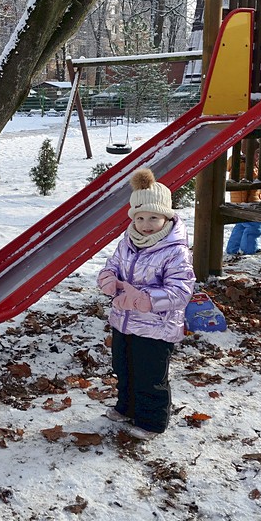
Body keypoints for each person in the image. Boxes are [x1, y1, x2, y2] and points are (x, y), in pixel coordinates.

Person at [97, 168, 195, 440]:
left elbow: (181, 290)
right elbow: (112, 267)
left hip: (156, 327)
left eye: (153, 217)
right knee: (124, 366)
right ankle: (127, 407)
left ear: (167, 216)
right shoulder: (127, 242)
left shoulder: (175, 250)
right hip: (124, 321)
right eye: (140, 217)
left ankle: (152, 421)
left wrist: (145, 300)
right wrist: (107, 279)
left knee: (150, 375)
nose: (146, 224)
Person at [225, 152, 261, 256]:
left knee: (241, 225)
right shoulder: (243, 167)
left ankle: (232, 249)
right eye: (257, 153)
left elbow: (256, 186)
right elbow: (244, 187)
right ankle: (249, 250)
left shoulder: (246, 165)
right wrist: (244, 202)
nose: (258, 156)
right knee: (254, 226)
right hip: (247, 202)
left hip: (245, 201)